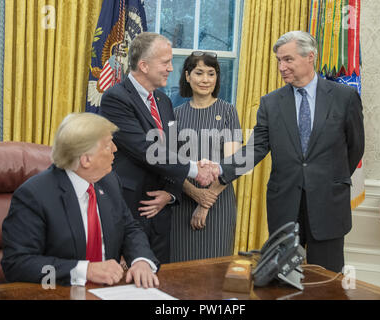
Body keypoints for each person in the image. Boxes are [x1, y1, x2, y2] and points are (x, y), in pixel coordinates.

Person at [218, 31, 365, 272]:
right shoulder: (270, 102)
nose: (281, 66)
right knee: (282, 281)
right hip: (285, 204)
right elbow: (256, 148)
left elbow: (355, 147)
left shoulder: (344, 97)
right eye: (278, 60)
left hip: (329, 203)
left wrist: (330, 178)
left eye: (287, 59)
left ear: (310, 57)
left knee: (326, 283)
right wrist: (221, 170)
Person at [1, 112, 160, 287]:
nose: (115, 149)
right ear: (86, 159)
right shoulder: (34, 196)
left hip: (110, 291)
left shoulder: (109, 181)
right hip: (60, 292)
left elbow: (129, 228)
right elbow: (17, 264)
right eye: (108, 145)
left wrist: (141, 260)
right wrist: (85, 270)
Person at [99, 32, 218, 264]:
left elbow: (174, 150)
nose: (171, 69)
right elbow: (145, 149)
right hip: (130, 209)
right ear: (143, 65)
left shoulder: (163, 101)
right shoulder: (116, 99)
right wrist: (195, 169)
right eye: (165, 62)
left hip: (162, 211)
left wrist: (171, 194)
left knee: (161, 278)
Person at [170, 51, 242, 262]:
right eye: (199, 73)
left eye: (211, 74)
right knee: (180, 272)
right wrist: (195, 194)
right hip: (183, 201)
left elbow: (234, 164)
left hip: (219, 202)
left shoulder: (229, 112)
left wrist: (204, 203)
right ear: (187, 76)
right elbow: (170, 165)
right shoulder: (175, 115)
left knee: (214, 272)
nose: (205, 80)